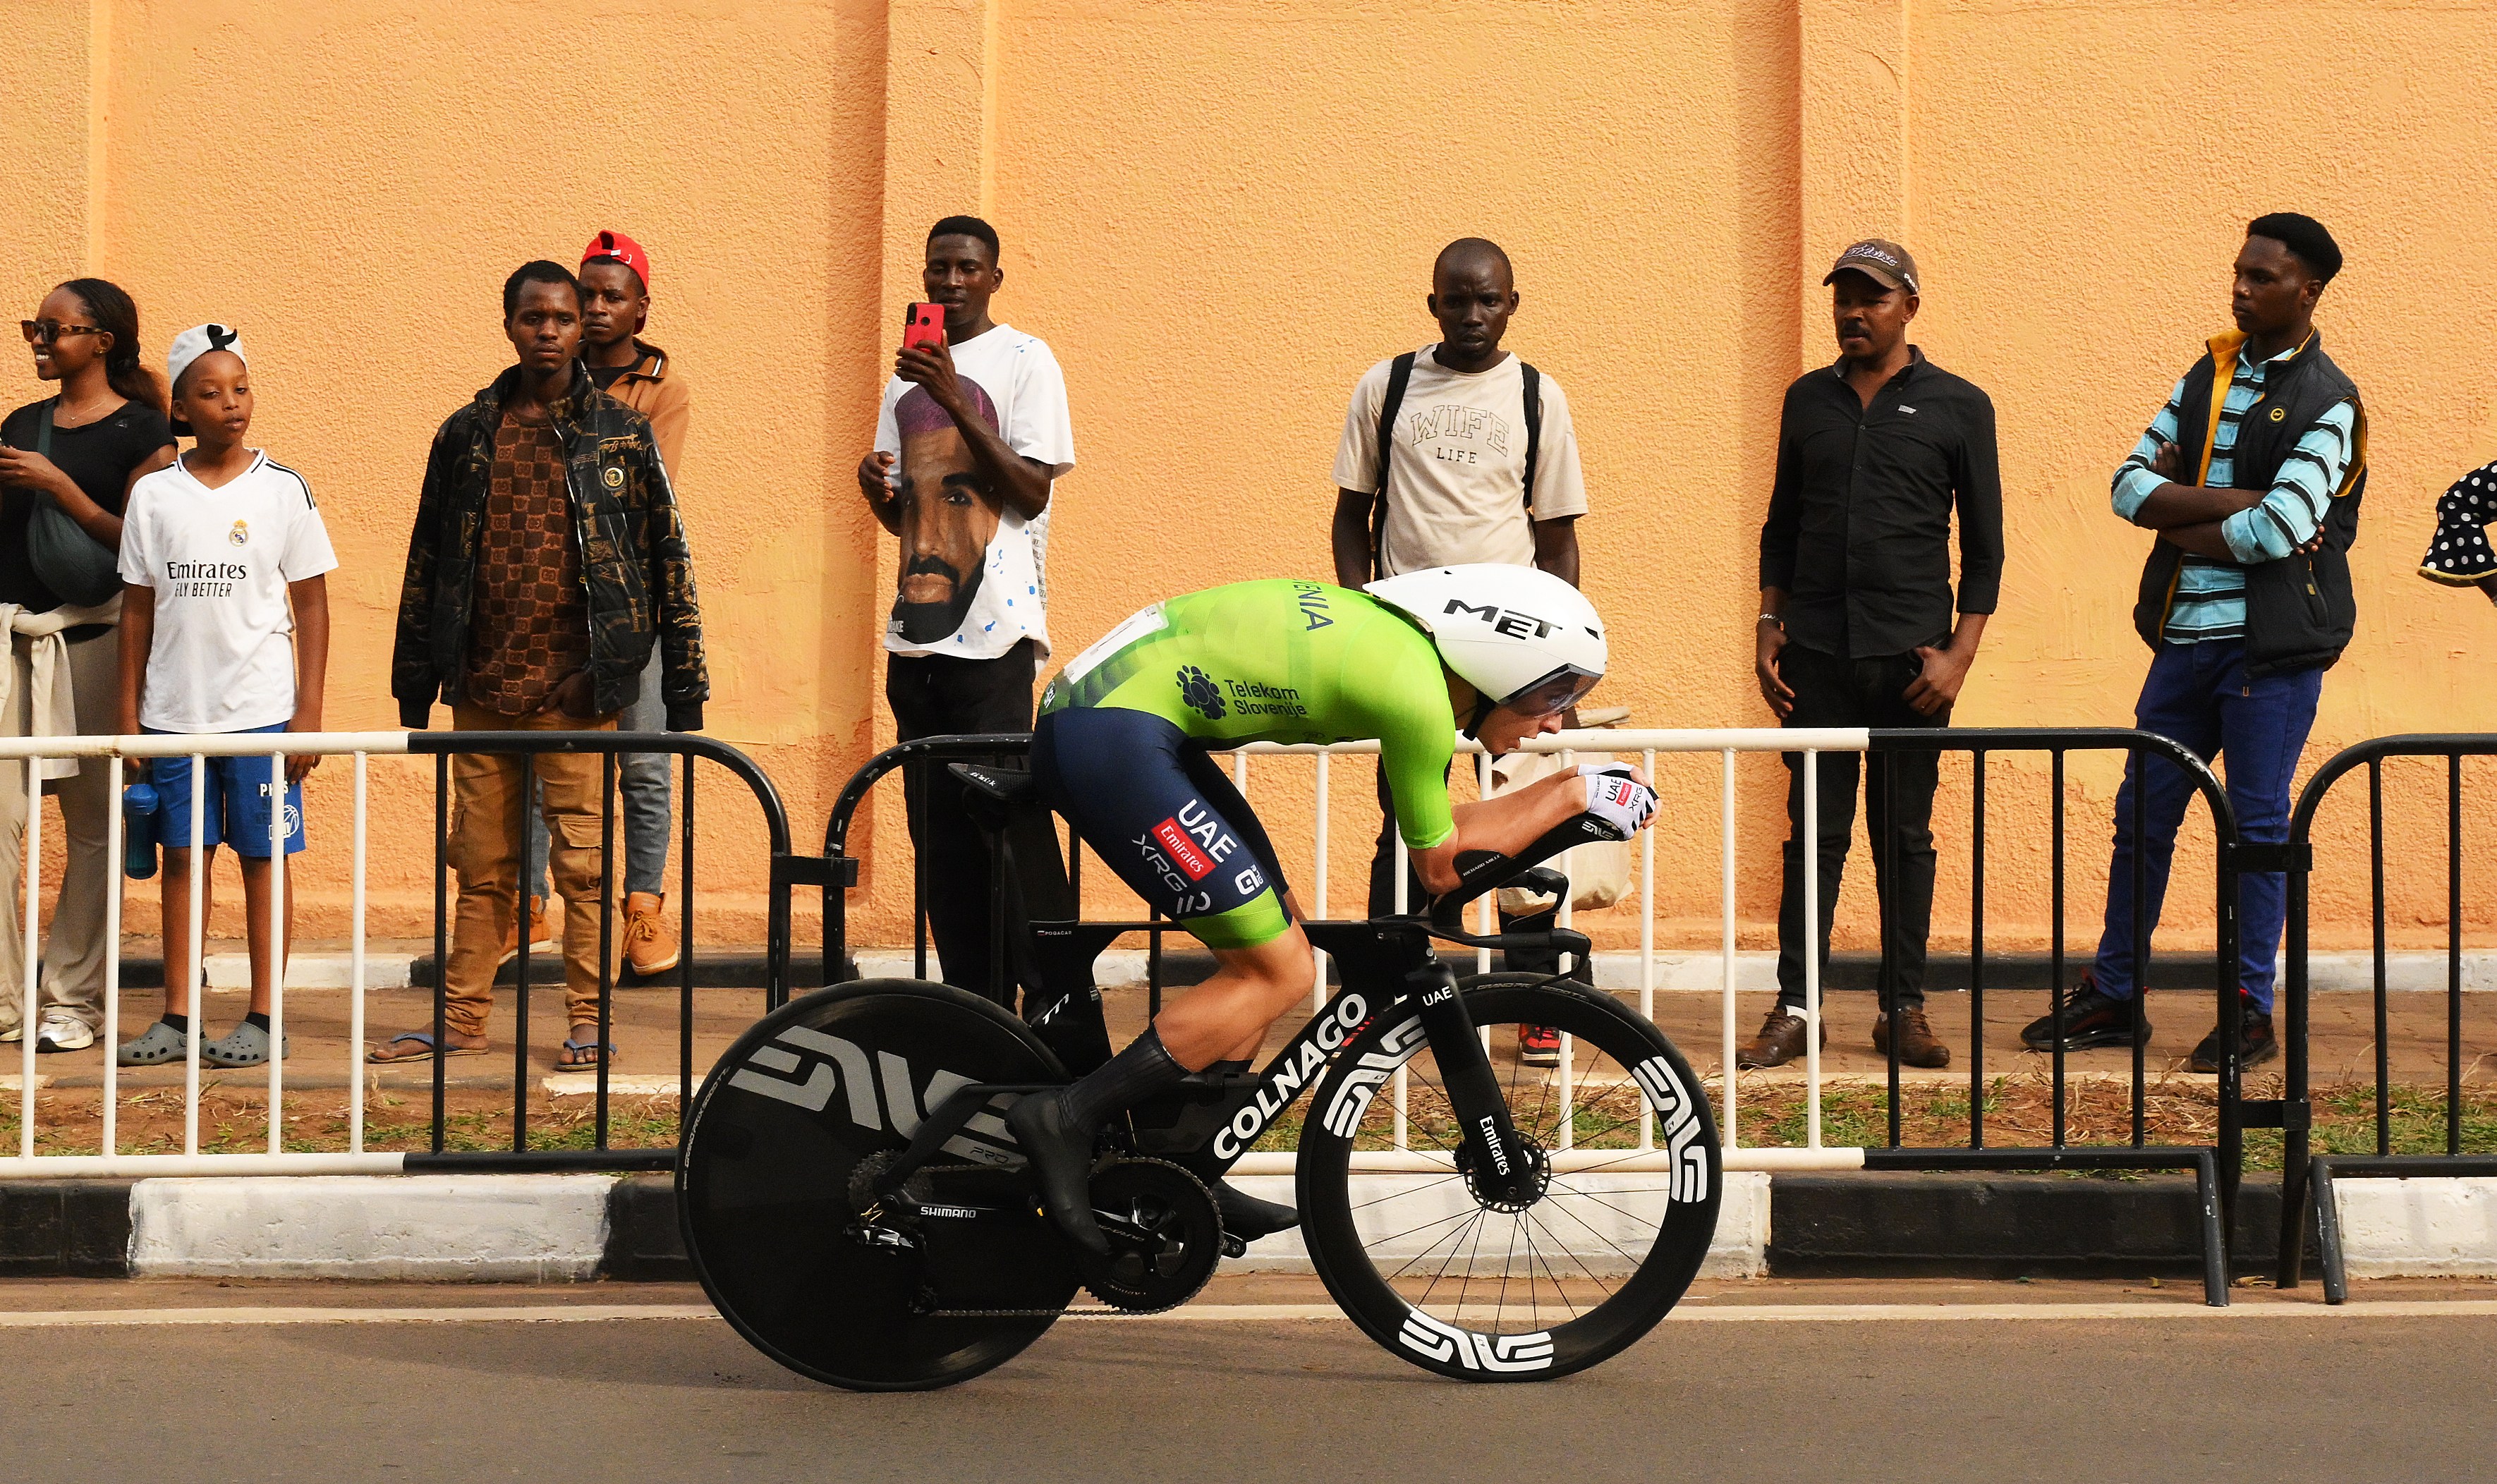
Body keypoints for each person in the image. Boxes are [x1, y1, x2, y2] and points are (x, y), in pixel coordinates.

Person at [1007, 564, 1655, 1256]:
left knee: (1274, 932)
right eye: (1553, 693)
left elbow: (1442, 831)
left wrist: (1568, 784)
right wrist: (1566, 798)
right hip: (1109, 732)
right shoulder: (1418, 699)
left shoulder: (1410, 660)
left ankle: (1182, 1160)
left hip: (1120, 721)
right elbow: (1439, 868)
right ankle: (1065, 1118)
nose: (1557, 719)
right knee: (1277, 970)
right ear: (1501, 667)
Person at [2023, 214, 2364, 1072]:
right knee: (2142, 817)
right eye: (2239, 271)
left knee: (2255, 828)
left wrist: (2185, 510)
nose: (2241, 287)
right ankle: (2114, 994)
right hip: (2181, 639)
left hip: (2269, 653)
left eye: (2263, 277)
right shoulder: (2205, 376)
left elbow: (2280, 532)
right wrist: (2231, 502)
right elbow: (2127, 487)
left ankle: (2250, 1012)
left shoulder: (2332, 402)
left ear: (2308, 290)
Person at [374, 261, 706, 1069]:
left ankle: (590, 1023)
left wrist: (657, 679)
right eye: (534, 317)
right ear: (509, 324)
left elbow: (666, 559)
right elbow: (429, 557)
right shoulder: (465, 433)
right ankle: (459, 1020)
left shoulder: (621, 434)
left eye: (562, 316)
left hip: (579, 692)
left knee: (586, 873)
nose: (551, 330)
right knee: (482, 868)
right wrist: (417, 680)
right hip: (484, 688)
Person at [1329, 237, 1589, 1064]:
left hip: (1511, 654)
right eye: (1456, 299)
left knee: (1530, 824)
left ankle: (1537, 996)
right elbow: (1351, 518)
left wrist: (1562, 668)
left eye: (1489, 300)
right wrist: (1364, 618)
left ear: (1513, 302)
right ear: (1431, 301)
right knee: (1407, 821)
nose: (1472, 315)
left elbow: (1558, 540)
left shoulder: (1538, 396)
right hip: (1410, 646)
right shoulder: (1389, 385)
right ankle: (1379, 996)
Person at [1745, 239, 2003, 1072]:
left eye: (1873, 298)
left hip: (1912, 663)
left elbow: (1986, 546)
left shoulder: (1960, 406)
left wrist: (1960, 654)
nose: (1854, 312)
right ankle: (1797, 1006)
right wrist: (1767, 623)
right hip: (1816, 652)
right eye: (1844, 297)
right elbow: (1782, 523)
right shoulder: (1806, 401)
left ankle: (1904, 1007)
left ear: (1909, 308)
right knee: (1811, 837)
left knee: (1904, 837)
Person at [855, 214, 1074, 1006]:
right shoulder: (901, 381)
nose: (949, 282)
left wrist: (951, 392)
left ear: (993, 278)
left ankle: (1050, 1007)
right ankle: (977, 1012)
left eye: (966, 268)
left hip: (997, 644)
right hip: (916, 648)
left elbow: (1030, 489)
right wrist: (873, 487)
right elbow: (907, 515)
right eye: (937, 269)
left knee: (1004, 841)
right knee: (940, 853)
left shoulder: (1025, 360)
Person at [112, 324, 334, 1068]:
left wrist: (306, 715)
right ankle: (179, 1013)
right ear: (180, 405)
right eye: (210, 392)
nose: (231, 404)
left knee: (264, 857)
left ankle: (265, 1015)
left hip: (261, 716)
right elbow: (136, 610)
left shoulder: (283, 489)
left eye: (241, 388)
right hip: (175, 715)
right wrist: (129, 717)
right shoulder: (153, 496)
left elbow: (312, 605)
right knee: (182, 858)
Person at [512, 230, 694, 980]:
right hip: (544, 602)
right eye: (585, 293)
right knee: (535, 760)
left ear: (640, 309)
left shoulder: (661, 389)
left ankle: (644, 908)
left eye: (611, 296)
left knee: (643, 761)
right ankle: (525, 905)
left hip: (632, 603)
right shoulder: (536, 379)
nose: (592, 308)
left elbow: (642, 495)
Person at [0, 279, 176, 1053]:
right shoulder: (20, 423)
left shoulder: (145, 433)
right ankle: (5, 1000)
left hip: (98, 641)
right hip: (13, 644)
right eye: (32, 328)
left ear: (101, 340)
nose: (38, 339)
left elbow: (139, 549)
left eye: (52, 328)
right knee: (0, 826)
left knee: (95, 831)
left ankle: (71, 998)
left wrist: (59, 487)